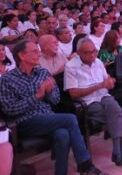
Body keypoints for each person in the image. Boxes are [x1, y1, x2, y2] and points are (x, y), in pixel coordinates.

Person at [0, 39, 106, 175]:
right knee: (70, 119)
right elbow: (9, 109)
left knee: (63, 135)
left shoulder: (43, 73)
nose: (38, 54)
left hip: (48, 117)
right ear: (21, 55)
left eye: (38, 51)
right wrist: (37, 96)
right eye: (34, 52)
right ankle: (85, 165)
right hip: (25, 121)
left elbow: (55, 100)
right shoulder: (8, 80)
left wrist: (48, 92)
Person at [64, 38, 122, 170]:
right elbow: (73, 93)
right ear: (79, 53)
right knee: (119, 115)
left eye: (94, 51)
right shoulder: (71, 66)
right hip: (87, 102)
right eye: (88, 52)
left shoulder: (98, 62)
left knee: (117, 112)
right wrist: (100, 85)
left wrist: (110, 83)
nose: (92, 55)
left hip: (104, 96)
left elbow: (107, 82)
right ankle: (121, 153)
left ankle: (118, 152)